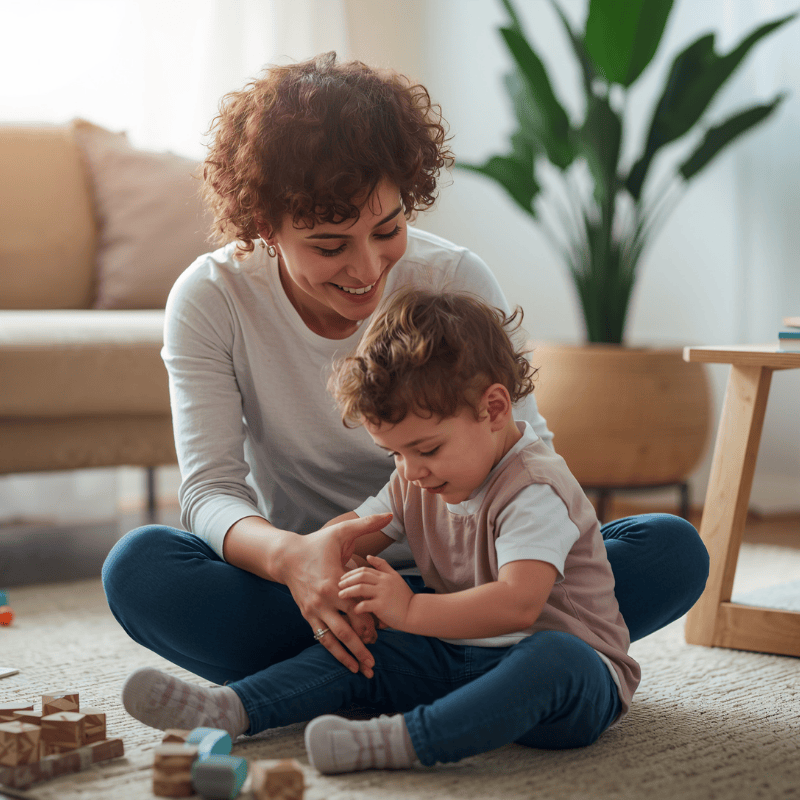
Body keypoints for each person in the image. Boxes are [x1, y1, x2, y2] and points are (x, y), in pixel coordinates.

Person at [102, 52, 707, 702]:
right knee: (141, 569)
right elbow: (212, 491)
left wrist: (460, 596)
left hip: (476, 579)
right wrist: (293, 559)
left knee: (669, 548)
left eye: (388, 229)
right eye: (331, 245)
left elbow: (524, 452)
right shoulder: (212, 298)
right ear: (264, 228)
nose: (368, 268)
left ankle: (352, 673)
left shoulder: (455, 281)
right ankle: (455, 672)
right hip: (310, 584)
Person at [121, 289, 640, 773]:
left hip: (574, 679)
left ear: (495, 409)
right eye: (396, 453)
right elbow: (358, 529)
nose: (411, 471)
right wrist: (326, 554)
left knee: (552, 656)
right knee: (373, 646)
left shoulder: (534, 487)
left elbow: (518, 605)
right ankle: (232, 708)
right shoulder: (415, 478)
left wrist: (409, 609)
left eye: (427, 448)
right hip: (468, 652)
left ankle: (404, 742)